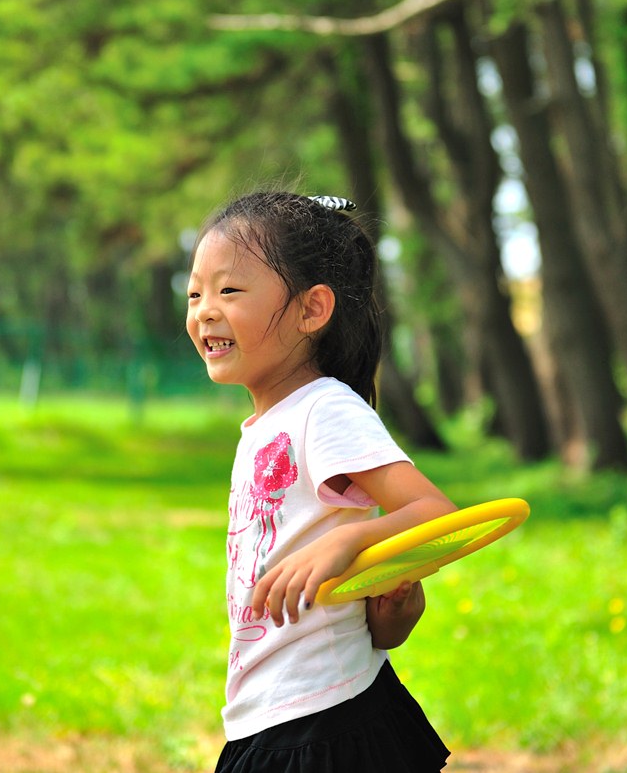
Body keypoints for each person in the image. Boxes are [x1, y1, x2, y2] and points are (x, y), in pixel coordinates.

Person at [185, 191, 457, 773]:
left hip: (326, 716)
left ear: (312, 310)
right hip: (272, 711)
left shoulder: (323, 409)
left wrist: (345, 543)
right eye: (195, 293)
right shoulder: (265, 424)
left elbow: (436, 513)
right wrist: (389, 603)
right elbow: (383, 626)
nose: (205, 309)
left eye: (229, 291)